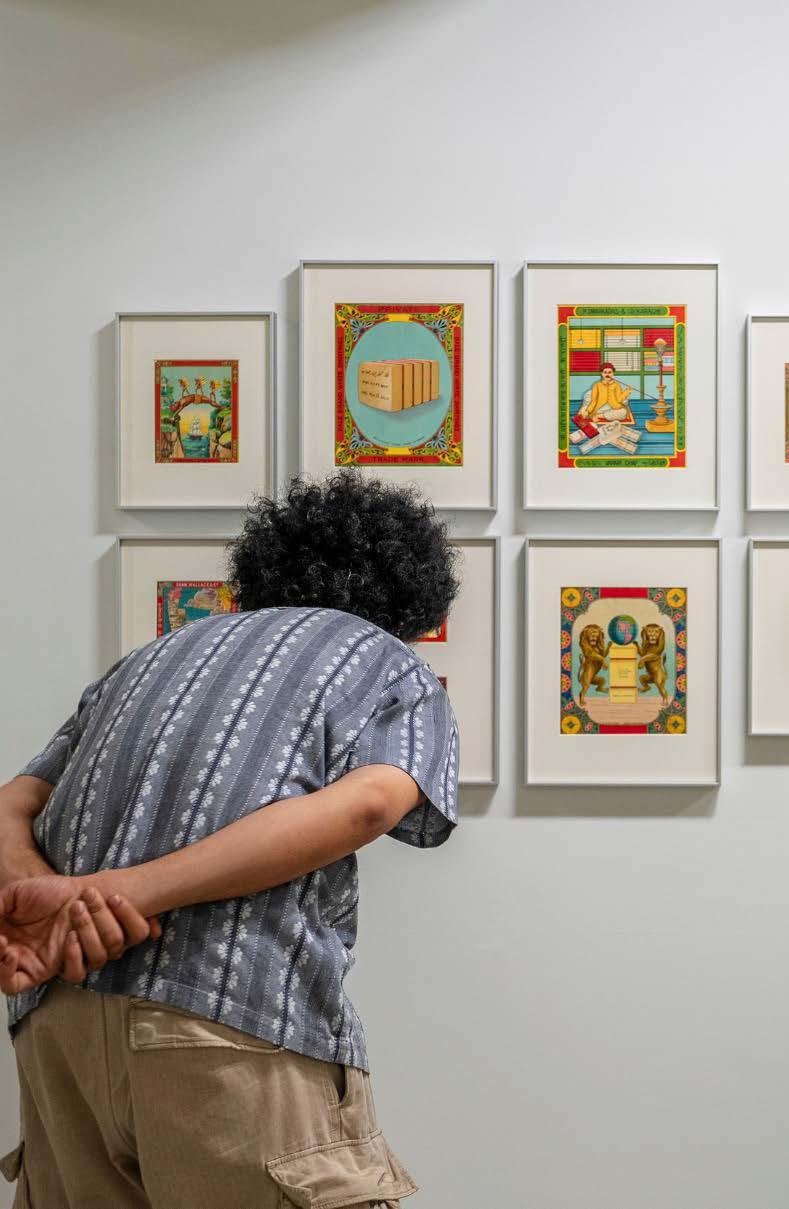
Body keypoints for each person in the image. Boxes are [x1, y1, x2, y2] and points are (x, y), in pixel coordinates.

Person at [0, 472, 461, 1208]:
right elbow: (373, 800)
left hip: (59, 1026)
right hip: (228, 1012)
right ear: (412, 593)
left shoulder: (150, 656)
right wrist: (124, 894)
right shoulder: (385, 659)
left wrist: (51, 899)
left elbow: (12, 803)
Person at [577, 361, 635, 426]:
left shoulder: (617, 385)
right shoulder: (597, 385)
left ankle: (598, 416)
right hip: (599, 407)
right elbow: (594, 400)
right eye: (605, 372)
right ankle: (592, 415)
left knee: (623, 413)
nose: (607, 374)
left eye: (610, 372)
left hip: (612, 408)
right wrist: (589, 412)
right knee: (584, 411)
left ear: (613, 373)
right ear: (601, 373)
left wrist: (627, 391)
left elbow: (619, 399)